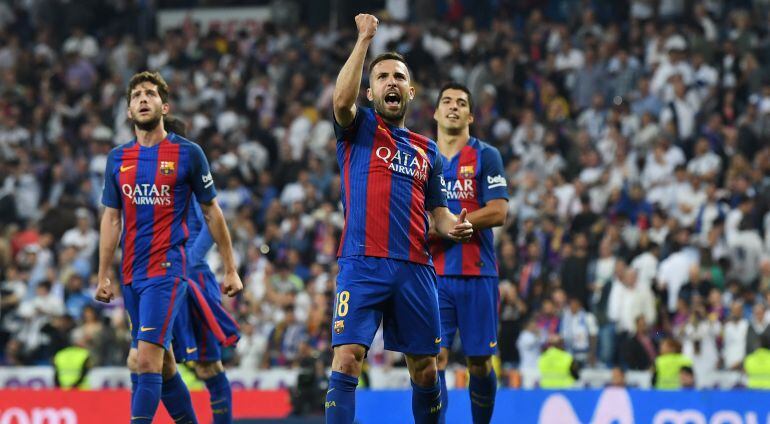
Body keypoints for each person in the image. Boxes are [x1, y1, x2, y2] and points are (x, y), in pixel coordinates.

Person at [325, 14, 473, 424]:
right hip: (361, 263)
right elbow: (340, 101)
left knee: (425, 368)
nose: (391, 82)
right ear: (370, 92)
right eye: (382, 77)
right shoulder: (357, 129)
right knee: (348, 357)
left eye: (398, 77)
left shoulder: (429, 151)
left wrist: (454, 227)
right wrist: (364, 40)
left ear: (411, 90)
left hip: (414, 268)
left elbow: (439, 215)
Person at [95, 71, 243, 424]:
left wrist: (230, 266)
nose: (143, 99)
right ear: (129, 110)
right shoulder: (118, 159)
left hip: (171, 271)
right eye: (136, 96)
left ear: (165, 104)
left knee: (154, 359)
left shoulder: (188, 154)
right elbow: (112, 219)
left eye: (150, 94)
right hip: (133, 274)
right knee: (158, 362)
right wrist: (102, 274)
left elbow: (211, 212)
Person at [429, 82, 508, 424]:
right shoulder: (422, 157)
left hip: (478, 274)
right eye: (446, 101)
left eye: (461, 103)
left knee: (479, 362)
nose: (453, 107)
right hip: (433, 276)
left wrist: (459, 224)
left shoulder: (486, 155)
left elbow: (499, 211)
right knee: (434, 360)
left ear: (470, 116)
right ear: (435, 112)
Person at [165, 116, 241, 424]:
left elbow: (211, 225)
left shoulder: (191, 177)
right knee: (153, 360)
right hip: (160, 278)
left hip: (191, 278)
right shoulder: (151, 185)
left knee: (208, 366)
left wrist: (188, 262)